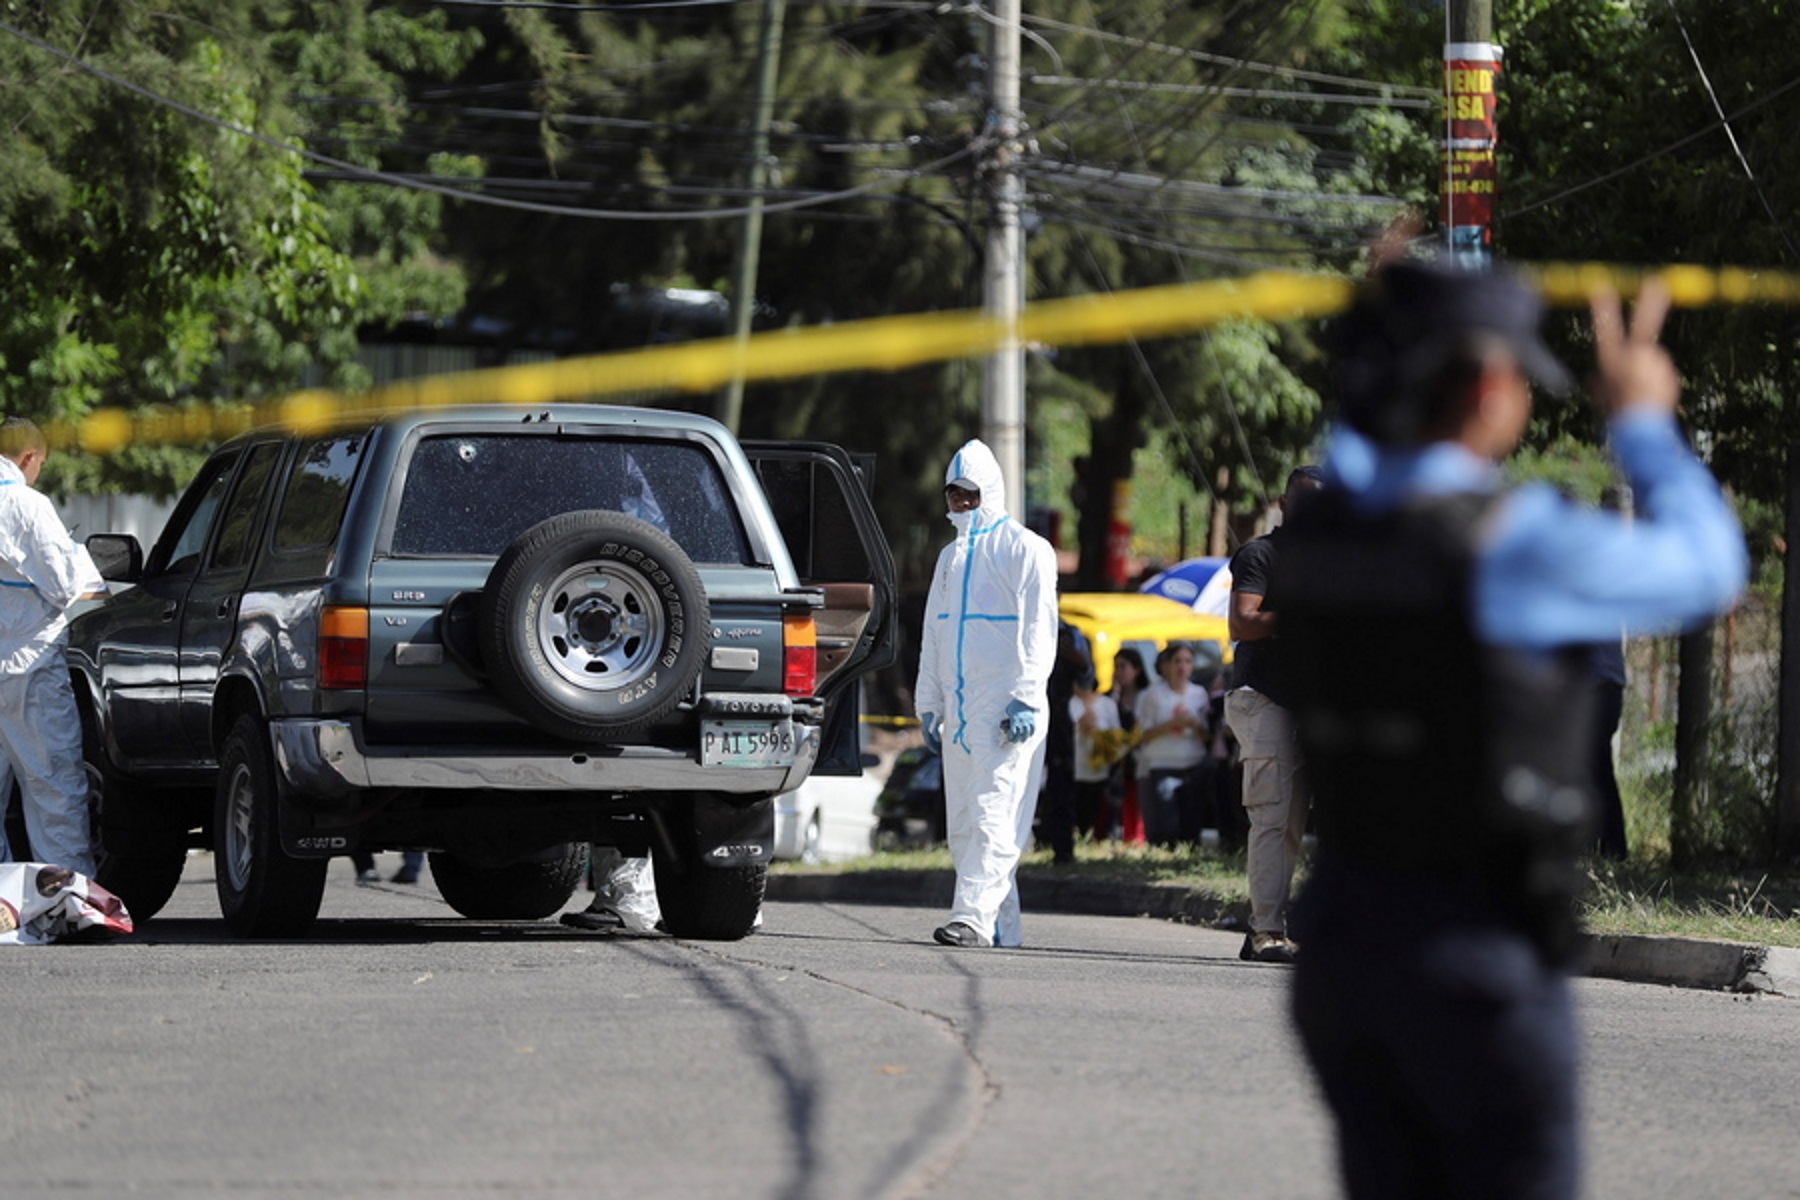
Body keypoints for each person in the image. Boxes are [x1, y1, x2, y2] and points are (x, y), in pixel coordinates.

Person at [1278, 257, 1746, 1200]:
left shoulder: (1319, 543)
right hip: (1470, 955)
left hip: (1341, 948)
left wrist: (1387, 318)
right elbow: (1707, 568)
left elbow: (1368, 452)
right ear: (1492, 384)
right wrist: (1645, 425)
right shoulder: (1510, 545)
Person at [914, 439, 1058, 948]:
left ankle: (971, 919)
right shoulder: (950, 557)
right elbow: (935, 630)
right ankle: (1004, 928)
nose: (961, 503)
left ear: (990, 492)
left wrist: (1024, 696)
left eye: (970, 494)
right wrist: (928, 704)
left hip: (1004, 708)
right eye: (954, 494)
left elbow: (1039, 629)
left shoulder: (1026, 549)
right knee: (967, 823)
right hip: (958, 709)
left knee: (996, 813)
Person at [1224, 465, 1323, 964]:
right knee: (1270, 815)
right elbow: (1242, 621)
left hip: (1308, 705)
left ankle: (1269, 925)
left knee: (1290, 823)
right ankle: (1265, 931)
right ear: (1283, 505)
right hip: (1262, 697)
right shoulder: (1261, 554)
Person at [0, 418, 105, 878]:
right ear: (29, 457)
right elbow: (64, 583)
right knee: (52, 785)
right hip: (29, 666)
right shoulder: (26, 503)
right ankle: (67, 897)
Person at [1134, 641, 1210, 848]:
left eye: (1187, 661)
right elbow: (1143, 734)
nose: (1182, 667)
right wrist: (1173, 724)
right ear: (1166, 665)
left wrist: (1196, 725)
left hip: (1193, 762)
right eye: (1177, 661)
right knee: (1167, 823)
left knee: (1192, 822)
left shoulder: (1200, 694)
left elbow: (1207, 736)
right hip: (1163, 764)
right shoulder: (1152, 695)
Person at [1070, 665, 1122, 842]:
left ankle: (1097, 838)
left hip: (1100, 769)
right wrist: (1079, 727)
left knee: (1097, 808)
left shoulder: (1107, 704)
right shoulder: (1068, 703)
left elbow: (1117, 737)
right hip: (1074, 767)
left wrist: (1096, 732)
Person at [1108, 648, 1149, 843]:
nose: (1118, 672)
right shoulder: (1110, 698)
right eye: (1116, 667)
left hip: (1139, 757)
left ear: (1137, 670)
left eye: (1123, 667)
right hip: (1114, 760)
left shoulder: (1146, 696)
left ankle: (1136, 837)